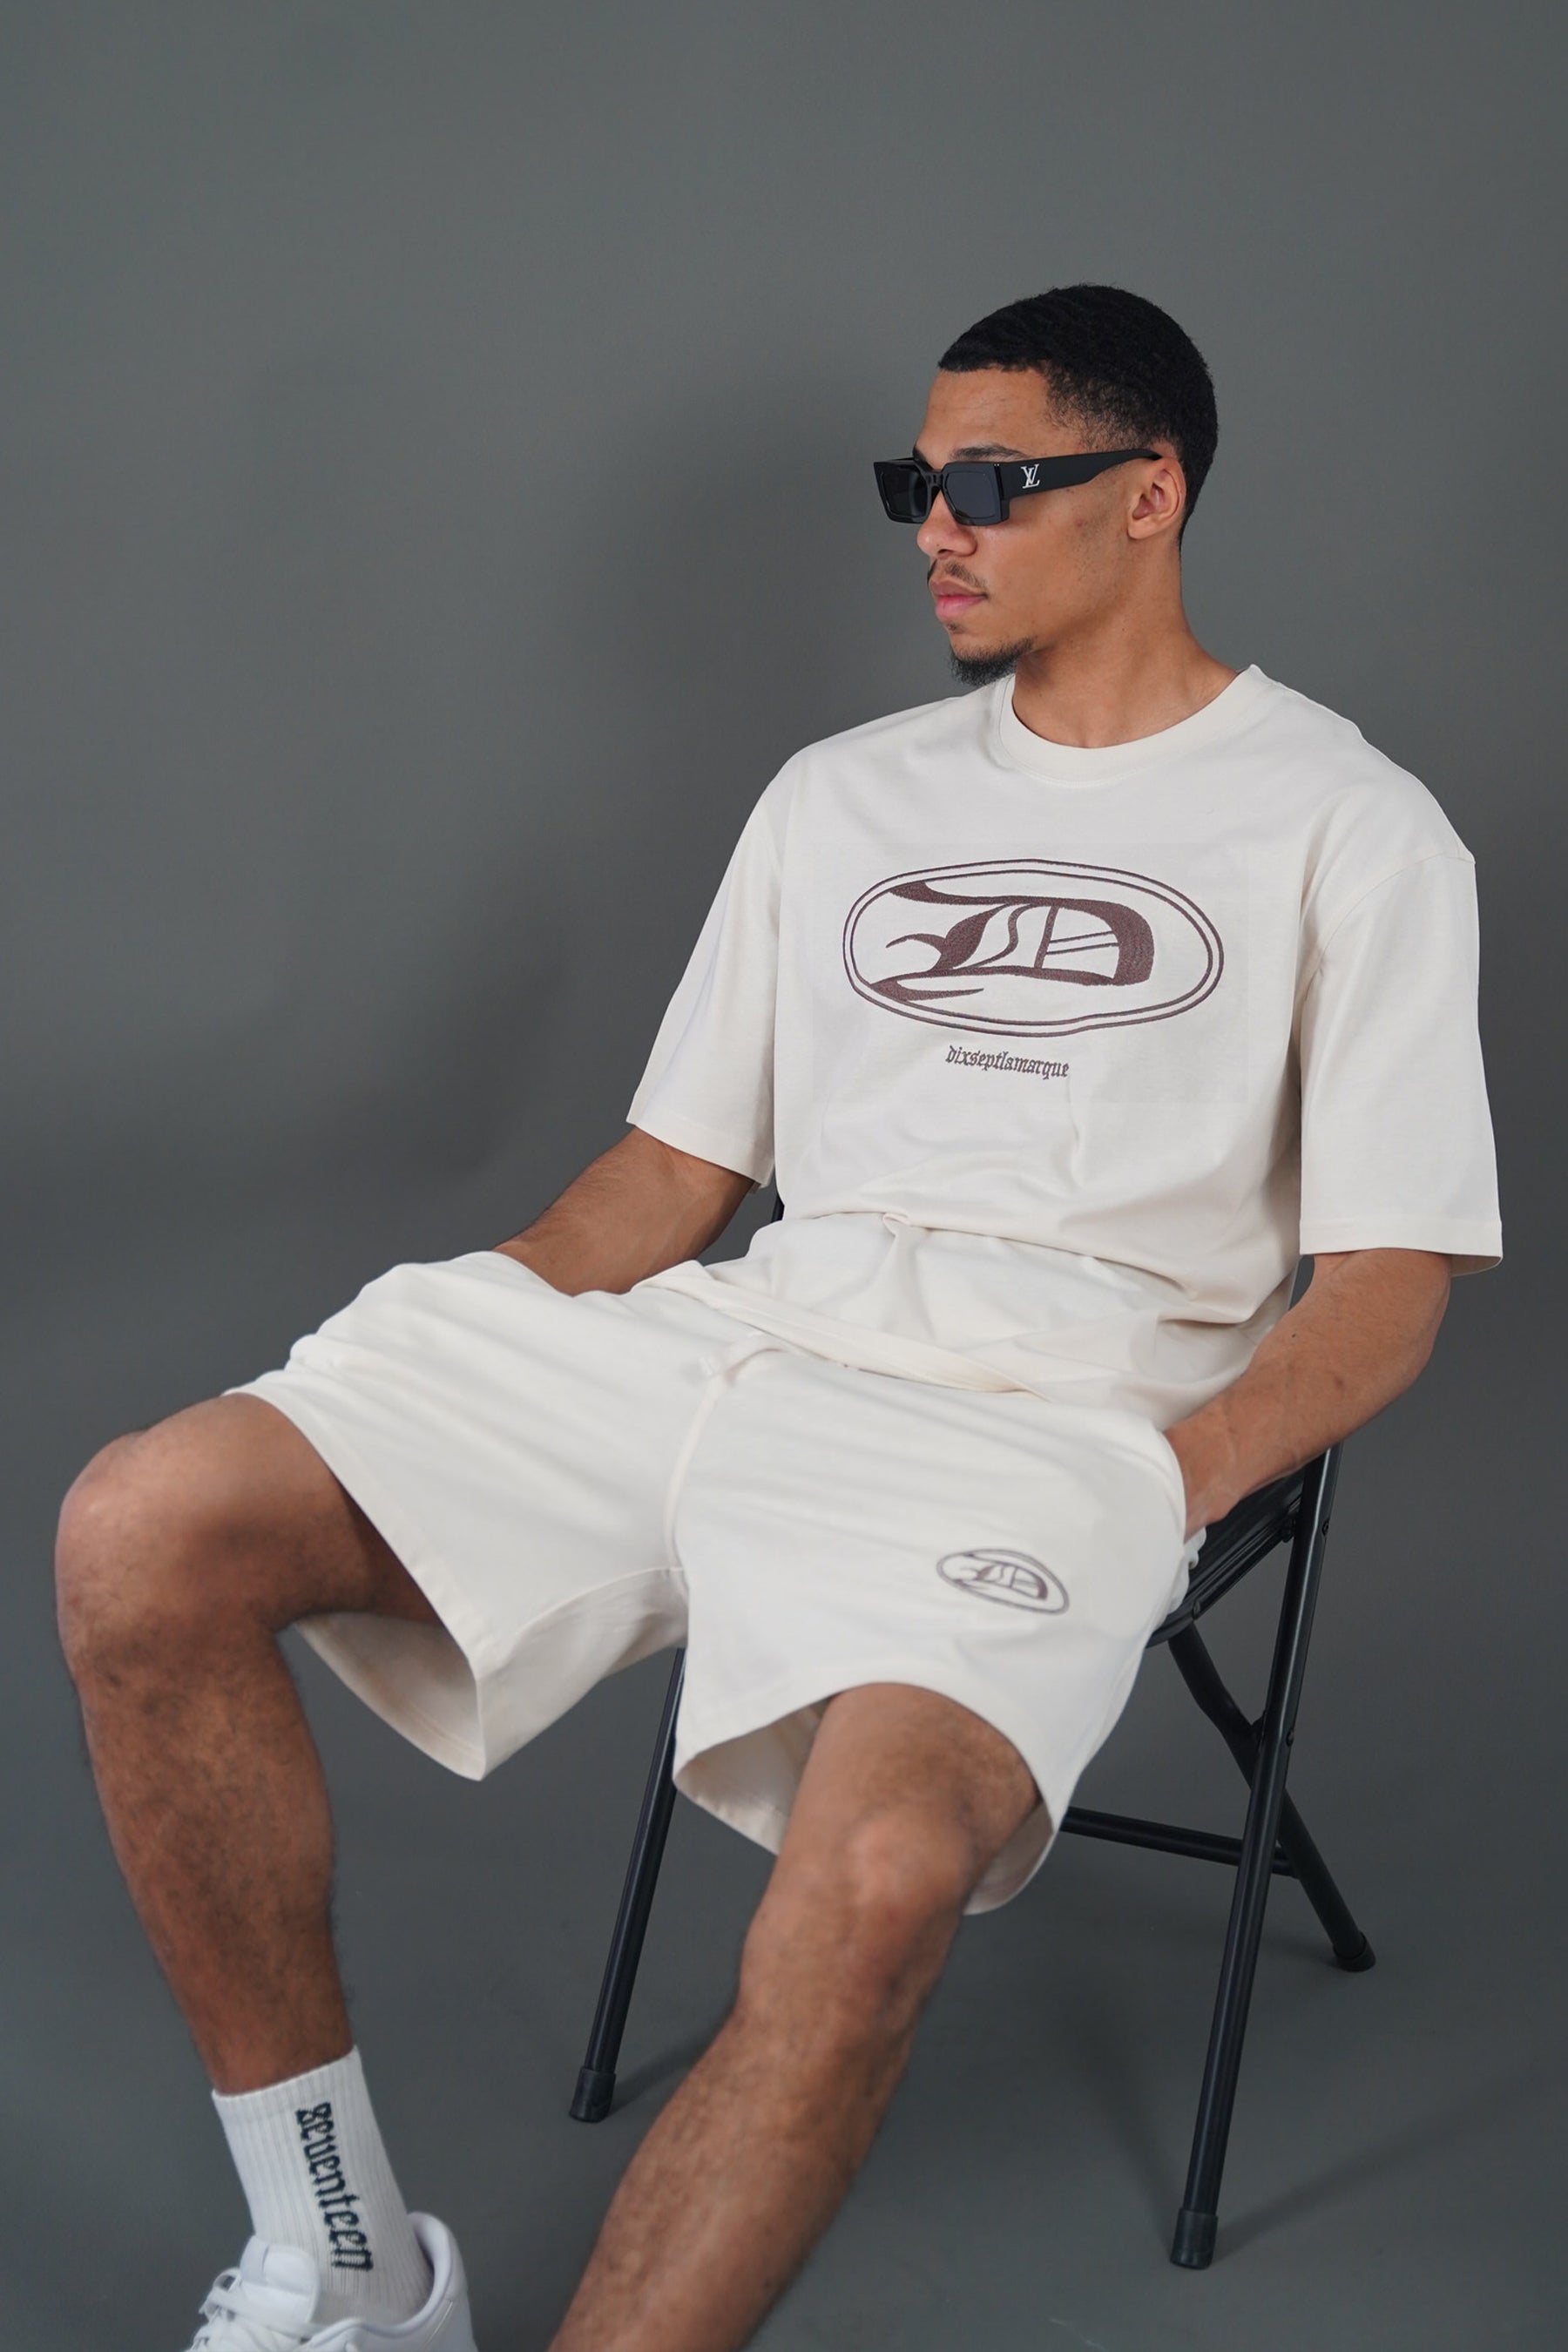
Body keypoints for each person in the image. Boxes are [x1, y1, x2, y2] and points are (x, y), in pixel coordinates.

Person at [55, 282, 1502, 2352]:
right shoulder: (841, 795)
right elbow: (672, 1177)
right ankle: (341, 2259)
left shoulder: (1352, 828)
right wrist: (462, 1340)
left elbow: (1384, 1289)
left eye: (995, 484)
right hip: (745, 1336)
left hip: (1050, 1420)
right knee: (144, 1523)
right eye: (921, 486)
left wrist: (1158, 1486)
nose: (941, 529)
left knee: (884, 1876)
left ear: (1153, 494)